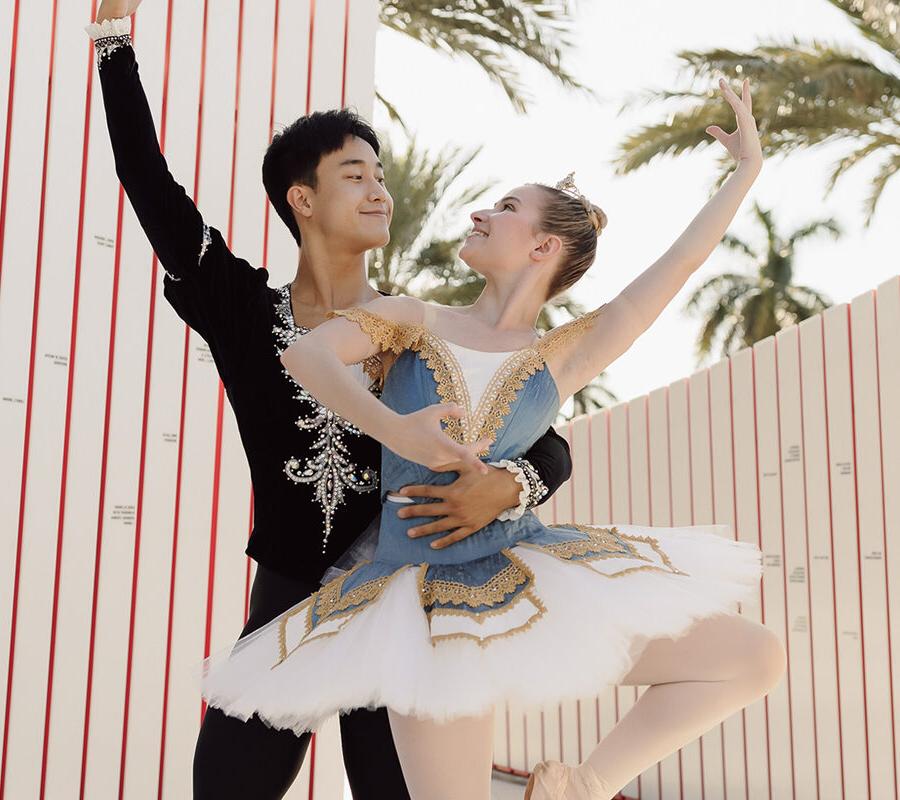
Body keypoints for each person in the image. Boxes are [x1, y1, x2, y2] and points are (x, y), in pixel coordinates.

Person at [198, 77, 788, 800]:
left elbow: (679, 267)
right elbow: (307, 356)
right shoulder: (411, 317)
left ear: (542, 245)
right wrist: (397, 428)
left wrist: (746, 172)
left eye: (505, 207)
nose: (482, 212)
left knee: (753, 657)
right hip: (419, 609)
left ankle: (582, 786)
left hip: (528, 576)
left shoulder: (565, 354)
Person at [85, 3, 575, 798]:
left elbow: (546, 436)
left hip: (398, 615)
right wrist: (112, 40)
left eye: (381, 176)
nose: (379, 191)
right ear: (302, 199)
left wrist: (511, 485)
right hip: (286, 609)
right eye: (356, 175)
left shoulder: (423, 330)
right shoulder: (243, 310)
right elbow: (145, 177)